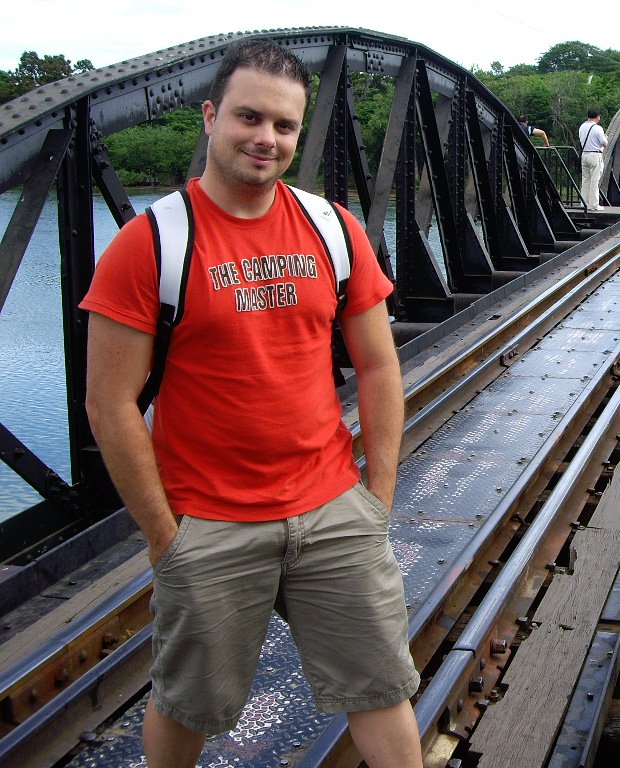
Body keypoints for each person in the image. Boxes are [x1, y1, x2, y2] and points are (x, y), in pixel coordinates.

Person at [81, 40, 422, 768]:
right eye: (249, 117)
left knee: (382, 686)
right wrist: (164, 538)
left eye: (285, 126)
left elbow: (378, 365)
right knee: (186, 704)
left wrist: (377, 497)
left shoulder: (332, 227)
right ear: (210, 117)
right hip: (209, 521)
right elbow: (109, 405)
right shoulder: (150, 245)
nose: (267, 138)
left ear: (299, 133)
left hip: (333, 510)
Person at [578, 107, 608, 211]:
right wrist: (606, 138)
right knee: (594, 181)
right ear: (597, 117)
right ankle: (594, 205)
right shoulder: (597, 128)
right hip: (595, 155)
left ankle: (583, 203)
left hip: (585, 154)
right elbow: (604, 143)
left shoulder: (582, 126)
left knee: (585, 180)